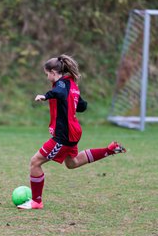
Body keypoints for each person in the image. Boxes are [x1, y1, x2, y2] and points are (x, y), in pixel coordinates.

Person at [17, 54, 126, 210]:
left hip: (64, 134)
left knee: (35, 162)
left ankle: (36, 202)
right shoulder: (71, 85)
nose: (47, 77)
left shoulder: (61, 85)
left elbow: (60, 93)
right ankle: (108, 150)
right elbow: (83, 106)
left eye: (47, 73)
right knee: (72, 163)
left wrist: (46, 96)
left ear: (54, 72)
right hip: (73, 131)